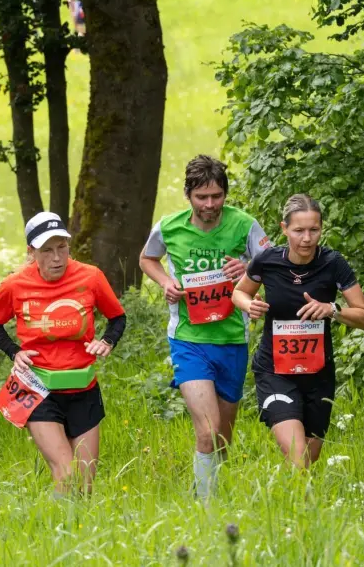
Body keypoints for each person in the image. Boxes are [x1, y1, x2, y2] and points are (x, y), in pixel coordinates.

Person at [139, 155, 269, 500]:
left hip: (231, 338)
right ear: (188, 195)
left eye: (216, 196)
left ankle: (213, 493)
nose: (210, 204)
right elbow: (147, 259)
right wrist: (166, 282)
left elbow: (273, 265)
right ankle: (204, 507)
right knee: (208, 431)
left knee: (222, 437)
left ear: (225, 194)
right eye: (201, 197)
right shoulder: (169, 226)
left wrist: (246, 269)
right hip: (188, 340)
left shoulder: (245, 225)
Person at [0, 212, 126, 496]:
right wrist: (14, 352)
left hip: (83, 388)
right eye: (47, 251)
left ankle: (69, 524)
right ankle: (55, 521)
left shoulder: (91, 277)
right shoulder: (15, 285)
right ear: (32, 252)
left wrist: (107, 341)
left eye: (62, 247)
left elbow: (117, 317)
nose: (57, 258)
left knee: (84, 486)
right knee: (66, 472)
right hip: (37, 389)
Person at [232, 194, 364, 469]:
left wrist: (332, 309)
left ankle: (293, 497)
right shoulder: (267, 261)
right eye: (298, 230)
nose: (307, 238)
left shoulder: (333, 263)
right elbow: (239, 292)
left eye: (314, 230)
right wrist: (250, 306)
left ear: (321, 228)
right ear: (284, 229)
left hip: (318, 374)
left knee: (309, 460)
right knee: (298, 459)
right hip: (275, 370)